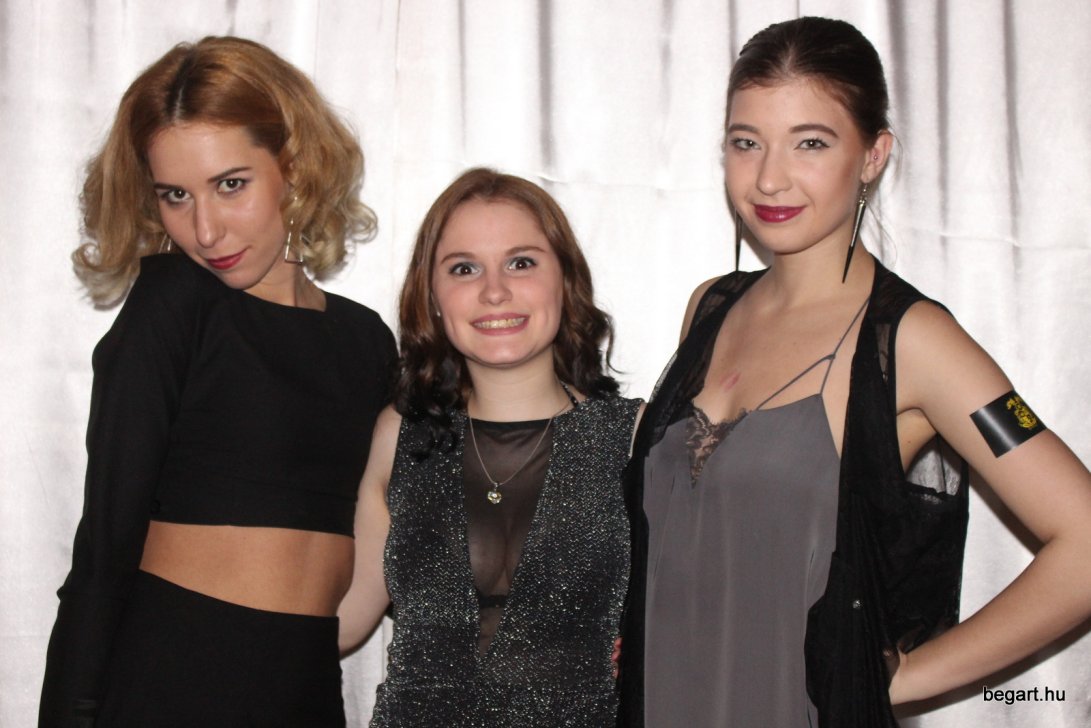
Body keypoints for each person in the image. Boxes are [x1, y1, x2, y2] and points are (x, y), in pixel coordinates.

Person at [617, 16, 1091, 728]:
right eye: (746, 142)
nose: (768, 177)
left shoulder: (913, 341)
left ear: (873, 155)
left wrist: (904, 679)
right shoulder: (709, 308)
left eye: (810, 142)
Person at [39, 36, 396, 727]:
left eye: (230, 184)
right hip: (174, 684)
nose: (204, 230)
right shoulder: (174, 303)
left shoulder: (366, 340)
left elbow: (392, 538)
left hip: (309, 690)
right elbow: (104, 546)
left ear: (294, 165)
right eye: (175, 196)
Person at [338, 168, 642, 726]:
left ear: (565, 280)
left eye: (521, 263)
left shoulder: (633, 438)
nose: (494, 291)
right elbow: (345, 619)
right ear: (432, 295)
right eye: (464, 268)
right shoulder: (398, 434)